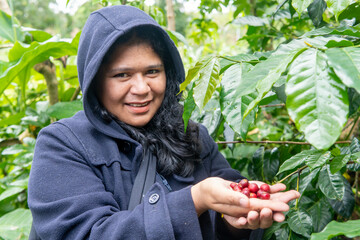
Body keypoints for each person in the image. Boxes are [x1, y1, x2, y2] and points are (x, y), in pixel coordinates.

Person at [28, 5, 300, 240]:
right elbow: (88, 233)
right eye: (122, 75)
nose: (142, 88)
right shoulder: (62, 145)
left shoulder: (191, 133)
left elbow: (221, 216)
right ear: (95, 81)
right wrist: (194, 200)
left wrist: (236, 221)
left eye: (152, 71)